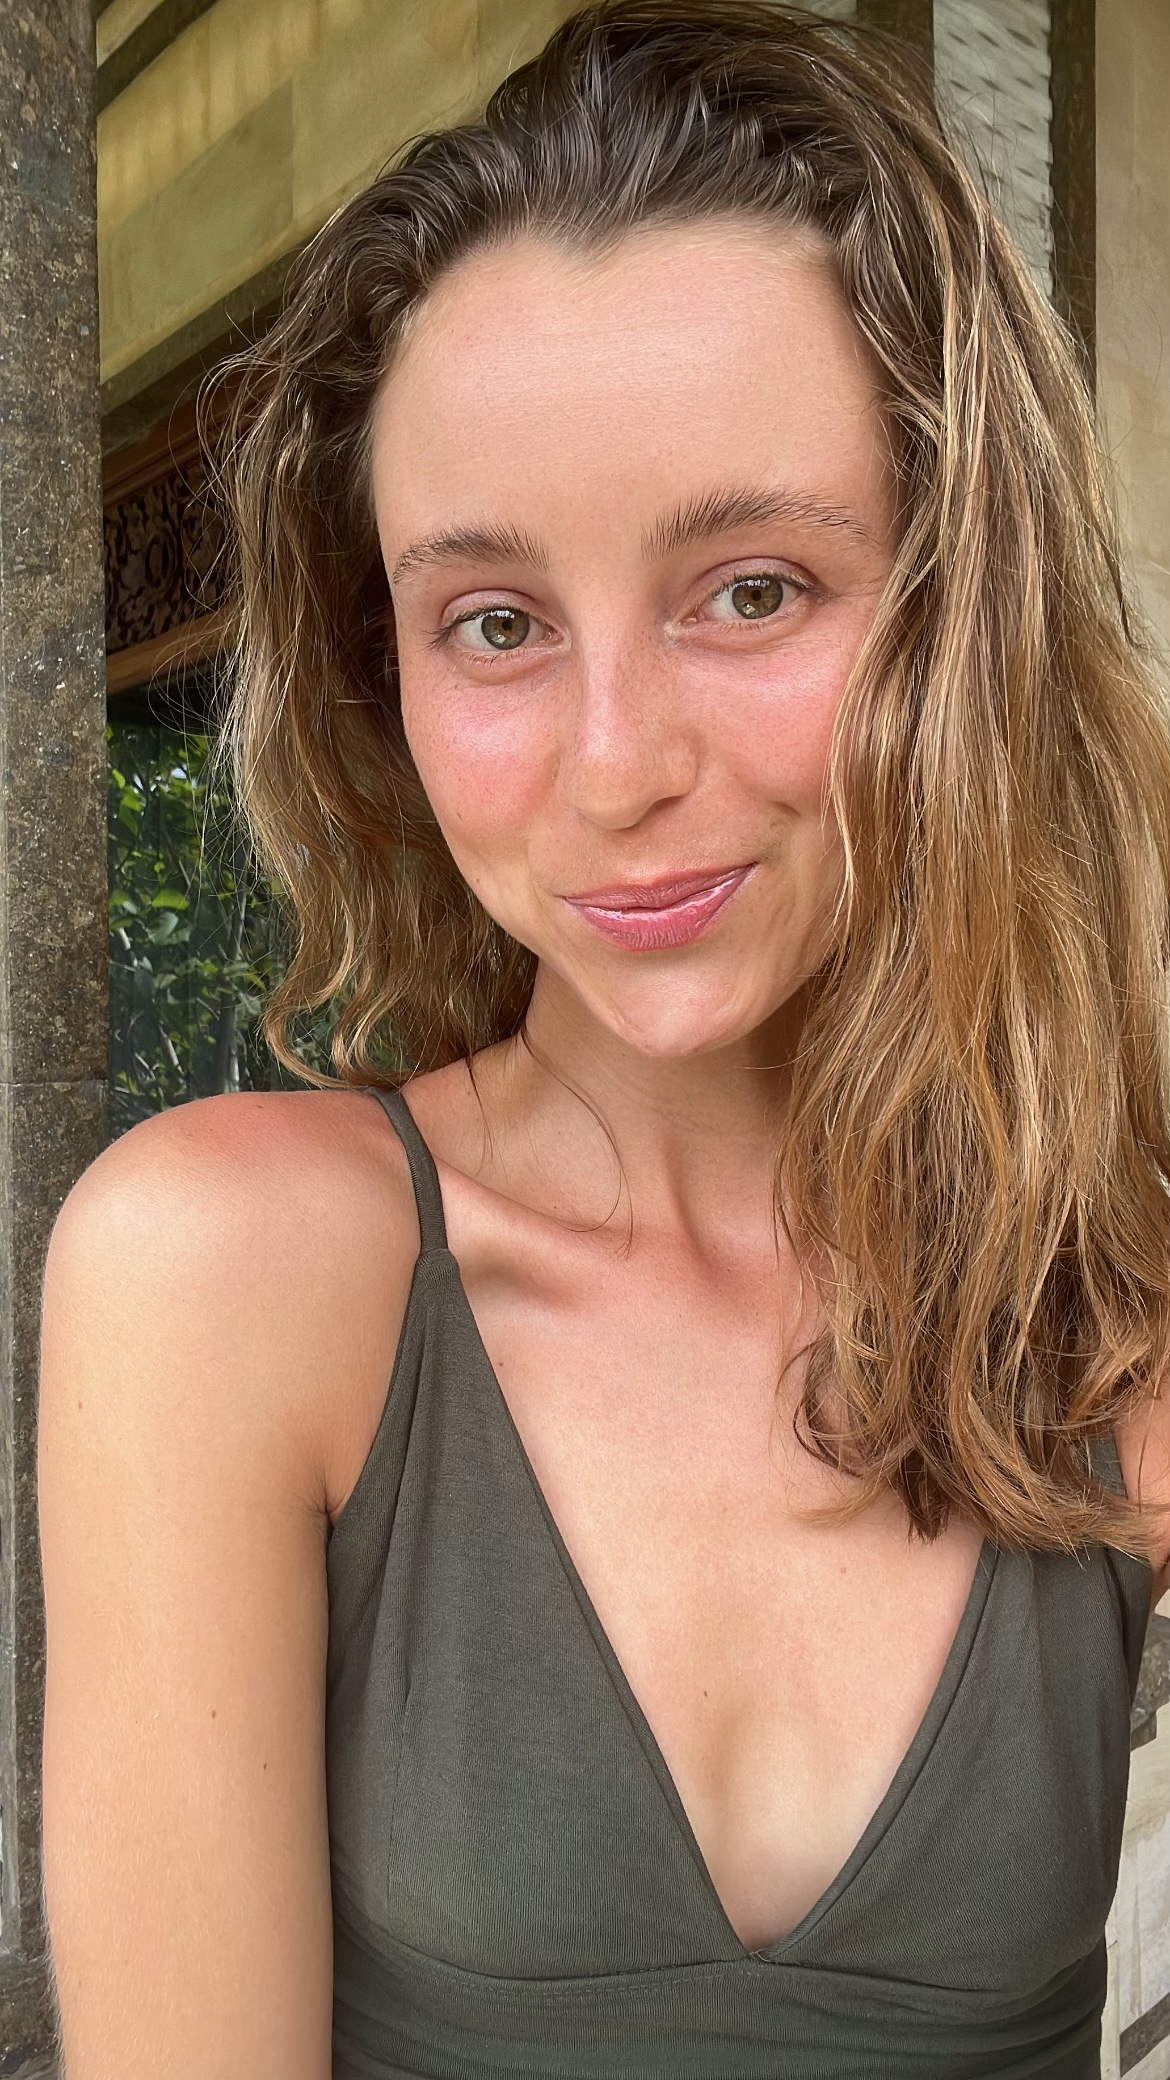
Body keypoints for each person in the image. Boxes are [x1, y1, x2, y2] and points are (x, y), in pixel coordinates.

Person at [37, 4, 1170, 2076]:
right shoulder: (231, 1272)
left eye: (753, 589)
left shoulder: (1107, 1311)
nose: (616, 764)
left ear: (965, 612)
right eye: (495, 623)